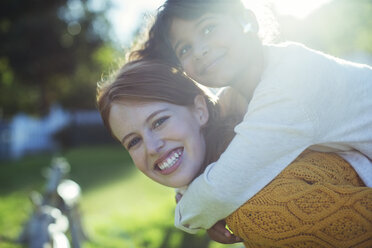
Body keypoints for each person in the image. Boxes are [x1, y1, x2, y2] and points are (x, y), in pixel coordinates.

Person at [129, 0, 372, 239]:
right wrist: (199, 201)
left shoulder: (289, 82)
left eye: (208, 28)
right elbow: (207, 156)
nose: (200, 49)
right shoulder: (237, 96)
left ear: (248, 21)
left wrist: (190, 212)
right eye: (184, 49)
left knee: (258, 209)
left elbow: (220, 191)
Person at [96, 59, 372, 247]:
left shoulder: (257, 207)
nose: (152, 147)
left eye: (159, 121)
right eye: (133, 142)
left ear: (200, 110)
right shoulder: (232, 159)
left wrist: (192, 208)